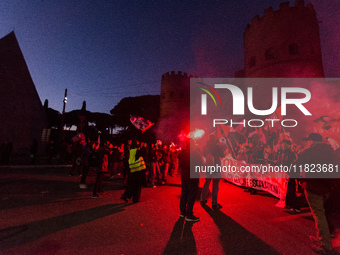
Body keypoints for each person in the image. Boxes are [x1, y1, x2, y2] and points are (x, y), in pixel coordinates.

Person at [296, 133, 336, 255]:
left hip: (314, 188)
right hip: (328, 189)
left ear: (313, 141)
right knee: (322, 214)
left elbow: (296, 167)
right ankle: (322, 237)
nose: (307, 143)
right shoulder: (331, 152)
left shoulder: (308, 152)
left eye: (308, 141)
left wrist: (301, 182)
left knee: (319, 216)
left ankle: (326, 246)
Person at [179, 138, 202, 222]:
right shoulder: (197, 154)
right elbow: (200, 165)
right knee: (191, 196)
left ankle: (182, 212)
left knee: (184, 193)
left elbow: (180, 164)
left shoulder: (181, 153)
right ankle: (189, 215)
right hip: (193, 176)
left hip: (184, 175)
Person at [200, 134, 225, 209]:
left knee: (207, 182)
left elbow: (204, 154)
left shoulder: (205, 146)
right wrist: (218, 145)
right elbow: (222, 155)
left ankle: (202, 199)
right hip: (216, 166)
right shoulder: (216, 146)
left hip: (208, 166)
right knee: (215, 185)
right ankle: (214, 203)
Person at [276, 140, 300, 212]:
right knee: (284, 189)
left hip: (290, 174)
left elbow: (294, 163)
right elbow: (278, 162)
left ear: (289, 145)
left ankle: (295, 206)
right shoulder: (280, 153)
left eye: (286, 144)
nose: (284, 145)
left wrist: (290, 172)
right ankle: (287, 203)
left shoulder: (291, 154)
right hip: (283, 173)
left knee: (291, 189)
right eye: (283, 144)